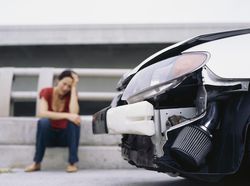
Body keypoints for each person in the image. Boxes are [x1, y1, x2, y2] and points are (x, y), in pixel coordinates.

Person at [25, 70, 81, 173]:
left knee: (74, 122)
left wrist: (74, 88)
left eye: (69, 86)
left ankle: (72, 163)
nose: (65, 88)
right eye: (64, 84)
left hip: (66, 137)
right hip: (48, 136)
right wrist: (68, 115)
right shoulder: (46, 91)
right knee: (43, 122)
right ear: (57, 80)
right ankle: (37, 163)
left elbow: (74, 113)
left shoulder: (71, 94)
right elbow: (42, 113)